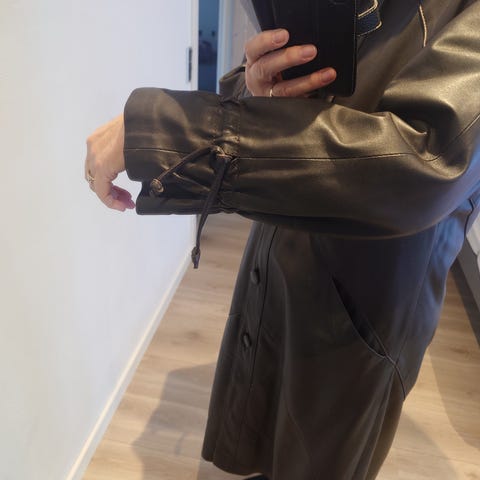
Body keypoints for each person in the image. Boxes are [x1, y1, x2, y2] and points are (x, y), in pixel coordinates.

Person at [84, 0, 480, 478]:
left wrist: (168, 131)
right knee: (265, 420)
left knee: (317, 453)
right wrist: (256, 89)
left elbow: (426, 160)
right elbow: (294, 87)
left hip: (366, 305)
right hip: (279, 243)